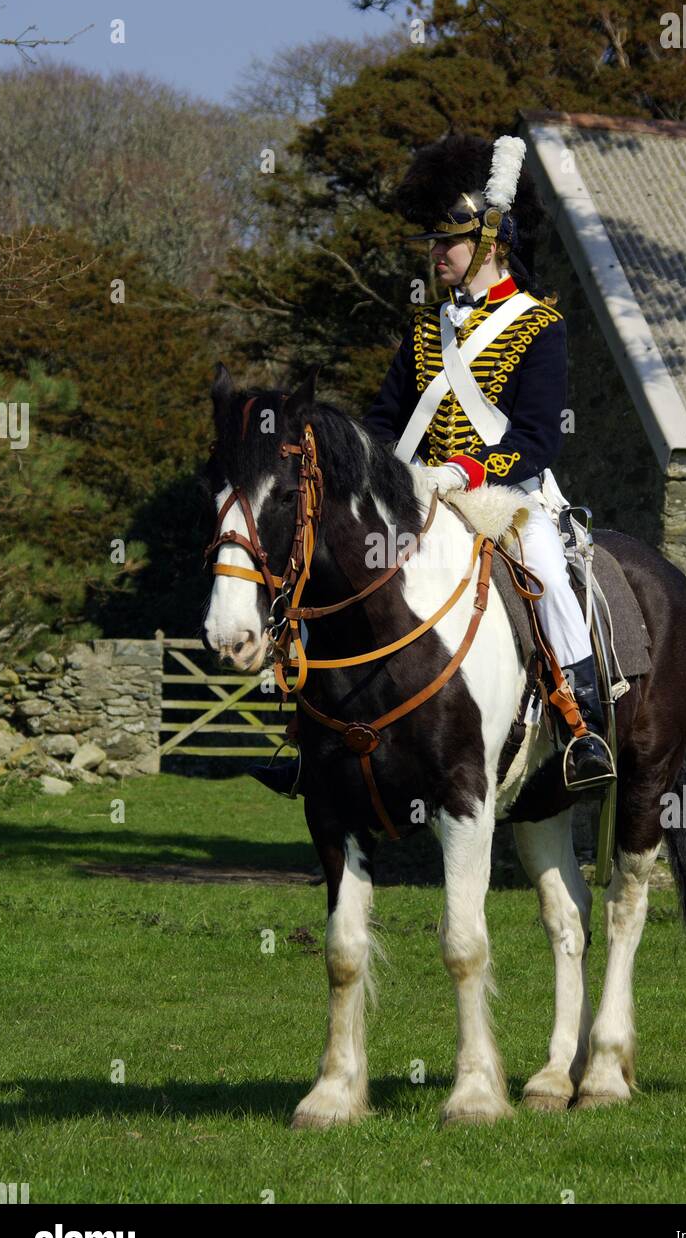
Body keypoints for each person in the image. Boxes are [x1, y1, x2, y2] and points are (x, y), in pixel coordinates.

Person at [256, 131, 614, 799]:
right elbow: (385, 420)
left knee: (544, 567)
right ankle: (311, 735)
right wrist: (374, 475)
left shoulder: (540, 325)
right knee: (335, 565)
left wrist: (468, 473)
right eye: (433, 242)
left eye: (446, 242)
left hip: (507, 495)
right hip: (417, 495)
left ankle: (579, 722)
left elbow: (538, 439)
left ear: (489, 242)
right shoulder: (425, 329)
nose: (435, 254)